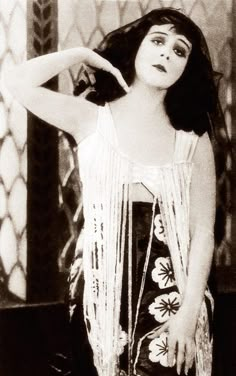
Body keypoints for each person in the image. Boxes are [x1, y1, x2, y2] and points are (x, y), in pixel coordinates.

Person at [5, 7, 221, 376]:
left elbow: (203, 232)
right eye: (157, 41)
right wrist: (82, 55)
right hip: (100, 287)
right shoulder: (90, 119)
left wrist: (188, 313)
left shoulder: (193, 141)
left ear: (186, 68)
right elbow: (16, 81)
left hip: (171, 291)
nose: (167, 53)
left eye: (180, 50)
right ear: (137, 47)